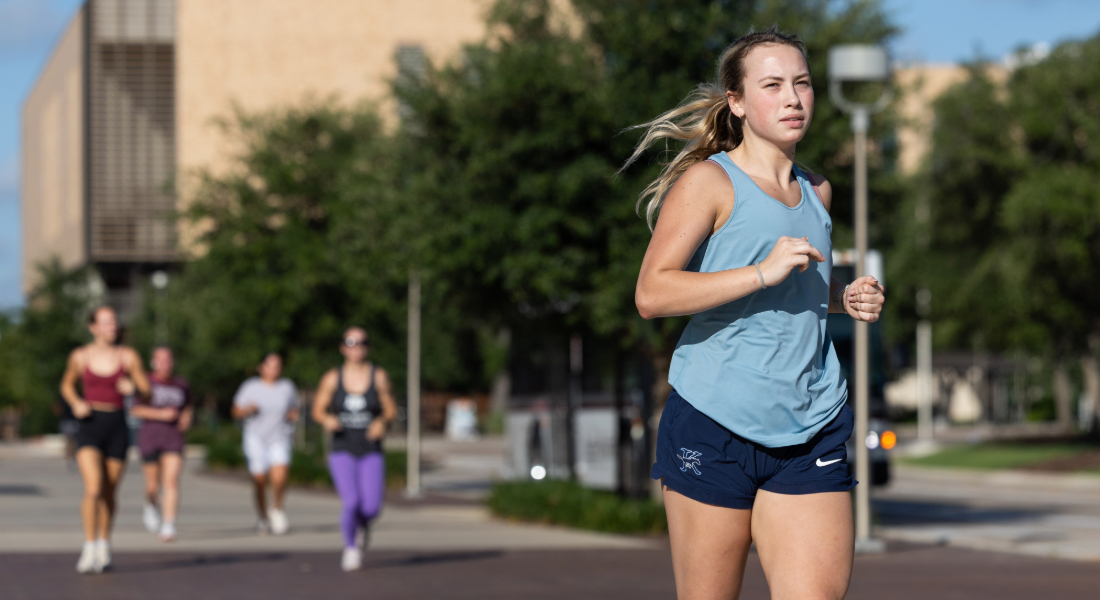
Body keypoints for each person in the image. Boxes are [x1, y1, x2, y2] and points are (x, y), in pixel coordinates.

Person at [628, 28, 886, 599]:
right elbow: (652, 293)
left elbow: (804, 286)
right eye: (772, 85)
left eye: (802, 83)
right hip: (715, 421)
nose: (793, 98)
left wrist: (844, 297)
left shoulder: (817, 191)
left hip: (810, 423)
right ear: (737, 103)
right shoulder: (709, 182)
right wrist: (760, 273)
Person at [60, 306, 151, 574]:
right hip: (90, 424)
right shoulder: (80, 355)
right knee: (93, 488)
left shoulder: (128, 356)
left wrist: (135, 389)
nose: (113, 326)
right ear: (94, 327)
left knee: (110, 492)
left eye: (115, 321)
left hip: (117, 426)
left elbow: (147, 391)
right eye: (107, 322)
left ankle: (104, 543)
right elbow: (66, 384)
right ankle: (89, 546)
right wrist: (76, 402)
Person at [311, 327, 397, 571]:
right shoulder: (331, 378)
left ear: (368, 347)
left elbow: (390, 409)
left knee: (371, 507)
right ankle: (351, 547)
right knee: (351, 502)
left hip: (370, 448)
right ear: (342, 347)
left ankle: (362, 524)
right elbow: (317, 410)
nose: (356, 347)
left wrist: (382, 421)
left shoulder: (378, 376)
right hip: (342, 448)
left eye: (362, 342)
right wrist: (327, 419)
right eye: (351, 342)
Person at [231, 352, 299, 535]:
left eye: (278, 365)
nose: (274, 369)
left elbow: (294, 408)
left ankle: (276, 509)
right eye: (270, 365)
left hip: (279, 437)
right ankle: (262, 517)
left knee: (280, 476)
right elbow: (235, 411)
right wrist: (247, 410)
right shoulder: (250, 387)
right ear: (261, 367)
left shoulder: (287, 387)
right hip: (256, 438)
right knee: (259, 480)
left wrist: (293, 415)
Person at [130, 346, 192, 542]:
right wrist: (161, 414)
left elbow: (188, 405)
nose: (165, 364)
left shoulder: (181, 384)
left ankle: (168, 524)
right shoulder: (146, 383)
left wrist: (187, 417)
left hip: (173, 438)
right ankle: (150, 505)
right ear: (153, 362)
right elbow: (135, 410)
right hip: (150, 437)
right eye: (160, 359)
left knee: (171, 480)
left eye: (168, 359)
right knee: (153, 485)